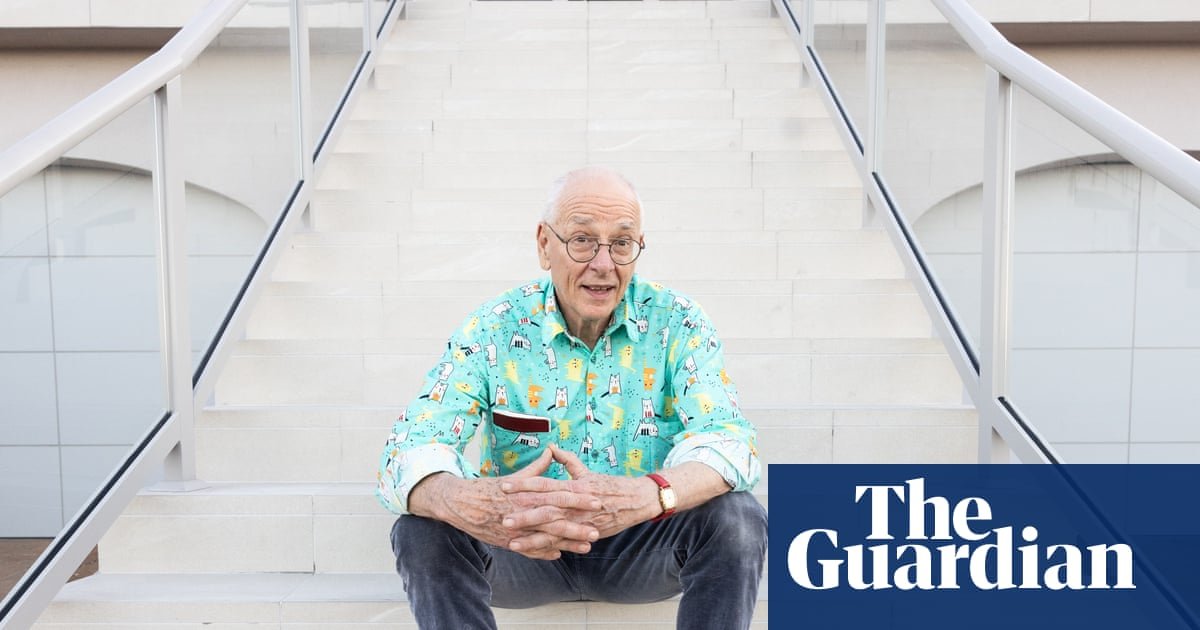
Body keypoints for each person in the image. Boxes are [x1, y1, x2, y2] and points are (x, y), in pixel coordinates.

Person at [376, 166, 766, 629]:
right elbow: (408, 448)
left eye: (621, 243)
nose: (603, 263)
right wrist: (466, 498)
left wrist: (648, 494)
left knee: (739, 518)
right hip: (519, 543)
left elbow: (729, 443)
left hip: (641, 541)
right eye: (582, 240)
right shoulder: (493, 327)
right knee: (421, 528)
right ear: (545, 244)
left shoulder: (678, 321)